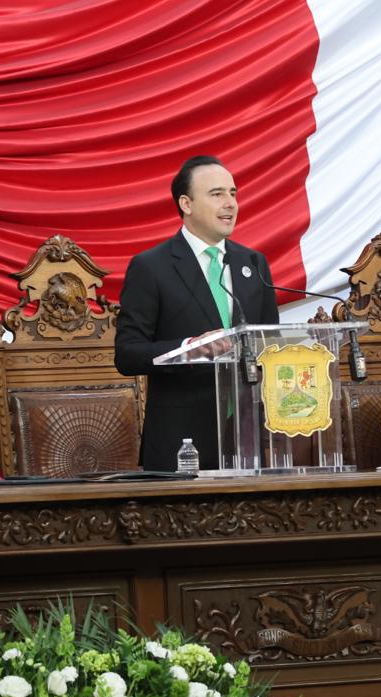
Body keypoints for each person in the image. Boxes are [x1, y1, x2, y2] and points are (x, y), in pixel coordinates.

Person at [114, 155, 280, 471]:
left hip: (248, 437)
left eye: (233, 193)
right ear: (186, 204)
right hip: (182, 440)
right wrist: (190, 348)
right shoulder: (152, 267)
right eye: (217, 194)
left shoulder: (252, 264)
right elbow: (127, 355)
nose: (230, 203)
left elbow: (268, 344)